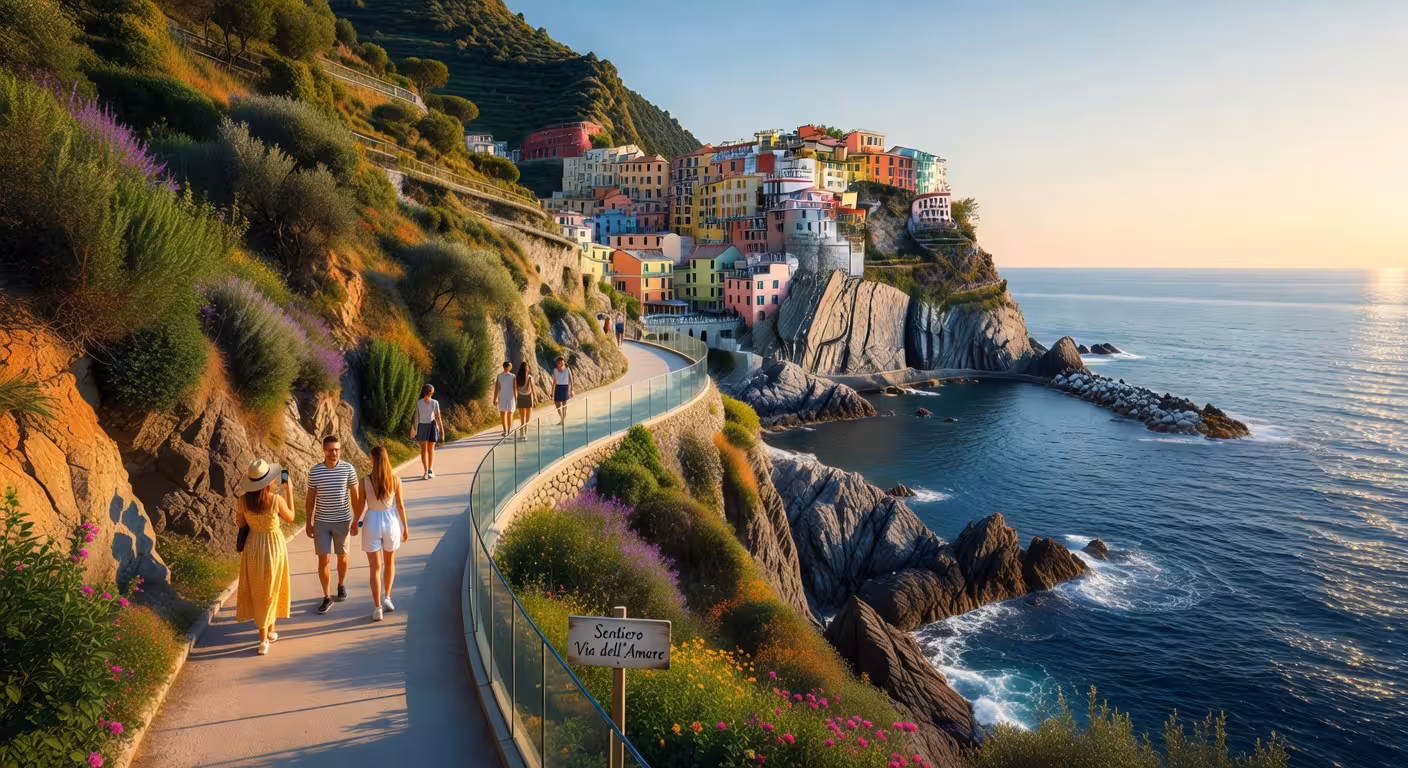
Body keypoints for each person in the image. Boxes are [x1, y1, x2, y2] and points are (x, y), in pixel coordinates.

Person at [234, 459, 294, 656]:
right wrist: (289, 491)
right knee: (272, 587)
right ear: (268, 482)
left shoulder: (242, 501)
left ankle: (269, 632)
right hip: (273, 546)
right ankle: (263, 639)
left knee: (259, 590)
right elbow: (291, 517)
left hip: (253, 546)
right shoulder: (275, 500)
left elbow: (240, 522)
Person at [351, 446, 409, 622]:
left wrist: (355, 523)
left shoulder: (365, 481)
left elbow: (361, 505)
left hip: (372, 522)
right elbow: (400, 505)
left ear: (373, 460)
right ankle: (388, 597)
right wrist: (405, 527)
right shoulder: (395, 480)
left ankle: (377, 608)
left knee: (374, 567)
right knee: (389, 562)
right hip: (391, 522)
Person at [306, 435, 361, 615]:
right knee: (323, 559)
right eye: (330, 450)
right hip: (321, 521)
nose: (334, 453)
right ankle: (326, 597)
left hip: (342, 520)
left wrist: (356, 520)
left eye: (336, 449)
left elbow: (355, 495)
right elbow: (310, 498)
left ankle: (341, 585)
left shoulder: (348, 469)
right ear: (324, 450)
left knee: (342, 556)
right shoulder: (315, 471)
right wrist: (308, 521)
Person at [411, 384, 444, 480]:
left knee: (426, 449)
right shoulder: (433, 402)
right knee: (429, 450)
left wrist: (416, 430)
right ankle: (428, 471)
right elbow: (439, 418)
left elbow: (416, 418)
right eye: (431, 392)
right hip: (426, 426)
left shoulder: (419, 403)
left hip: (425, 426)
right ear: (430, 392)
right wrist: (442, 430)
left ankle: (428, 471)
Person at [493, 361, 516, 437]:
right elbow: (514, 388)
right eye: (511, 366)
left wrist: (495, 398)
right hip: (510, 397)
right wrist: (516, 398)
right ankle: (509, 430)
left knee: (503, 414)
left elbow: (497, 388)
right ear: (509, 367)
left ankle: (505, 431)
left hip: (502, 396)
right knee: (510, 413)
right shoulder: (513, 376)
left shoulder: (499, 376)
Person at [515, 361, 533, 439]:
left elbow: (533, 388)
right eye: (526, 369)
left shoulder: (526, 377)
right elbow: (516, 388)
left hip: (525, 396)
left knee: (525, 417)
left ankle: (524, 430)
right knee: (524, 417)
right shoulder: (521, 377)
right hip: (524, 397)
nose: (527, 370)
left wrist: (534, 398)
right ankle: (524, 432)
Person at [552, 356, 573, 424]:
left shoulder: (567, 369)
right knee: (557, 405)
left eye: (560, 363)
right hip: (558, 387)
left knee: (564, 405)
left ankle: (563, 419)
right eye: (558, 363)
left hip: (565, 387)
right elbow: (554, 381)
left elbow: (571, 380)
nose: (559, 364)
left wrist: (571, 390)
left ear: (563, 363)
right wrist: (552, 391)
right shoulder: (555, 370)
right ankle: (562, 418)